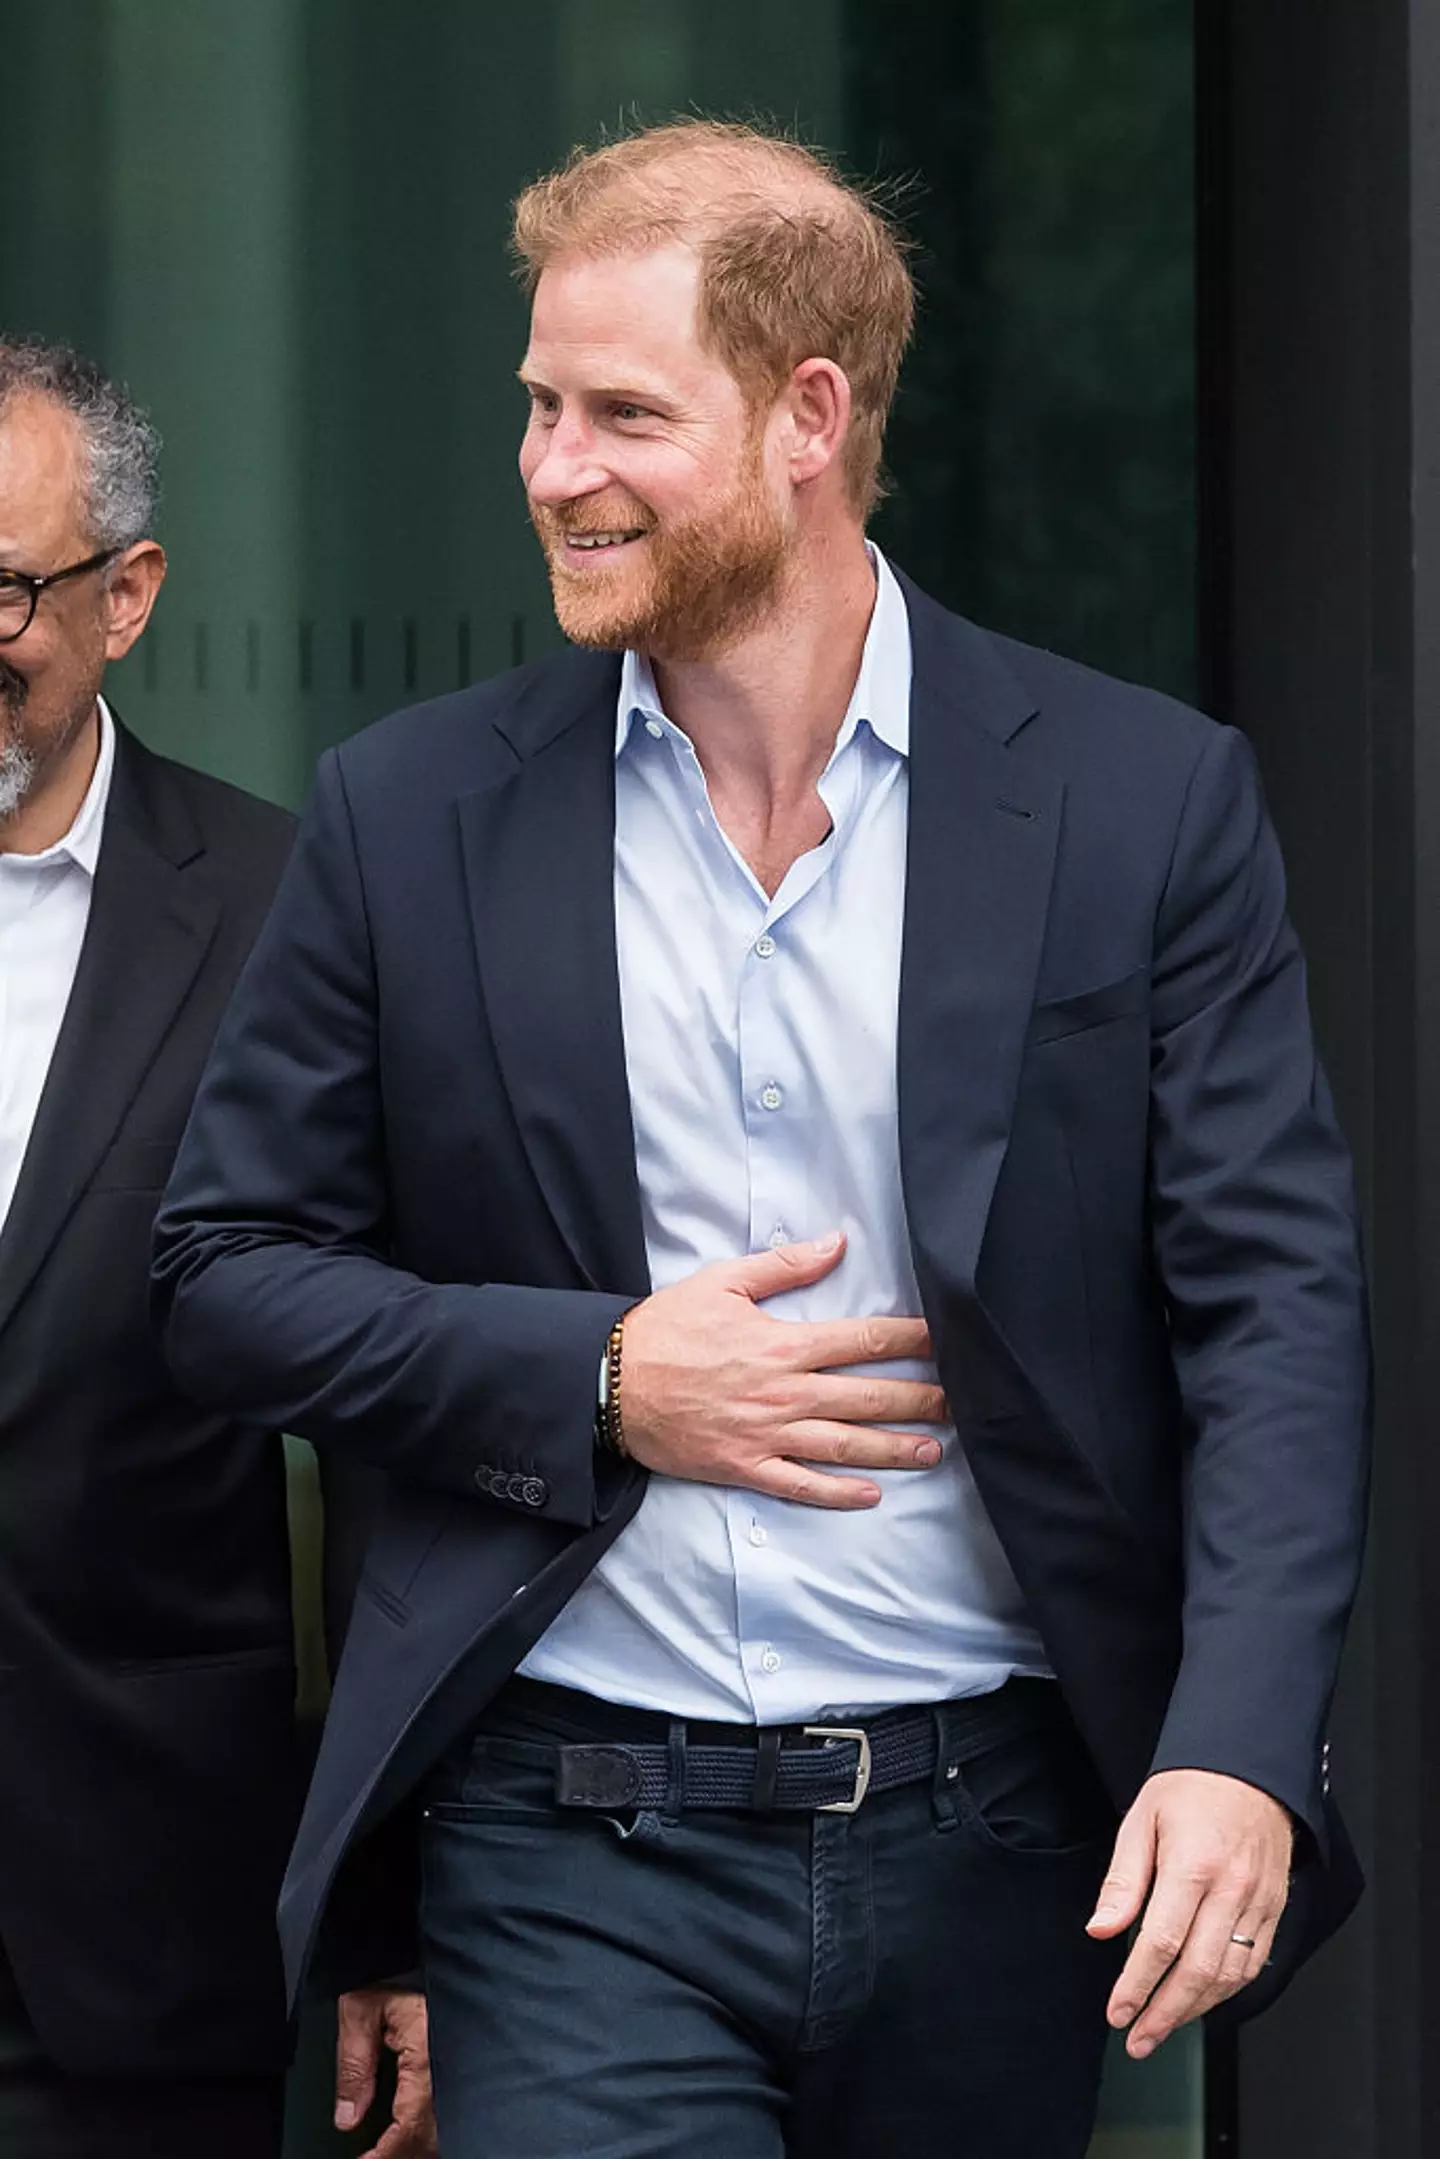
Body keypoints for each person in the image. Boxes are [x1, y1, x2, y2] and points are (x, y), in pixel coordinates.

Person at [153, 120, 1370, 2159]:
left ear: (811, 417)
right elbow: (221, 1278)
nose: (552, 468)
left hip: (1002, 1838)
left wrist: (1239, 1743)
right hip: (568, 1844)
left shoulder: (1142, 802)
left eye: (624, 414)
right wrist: (605, 1376)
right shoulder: (409, 813)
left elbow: (1274, 1308)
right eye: (540, 404)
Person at [0, 339, 431, 2159]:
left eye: (2, 591)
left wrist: (386, 1907)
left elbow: (385, 1431)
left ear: (127, 596)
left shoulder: (282, 911)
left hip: (136, 1917)